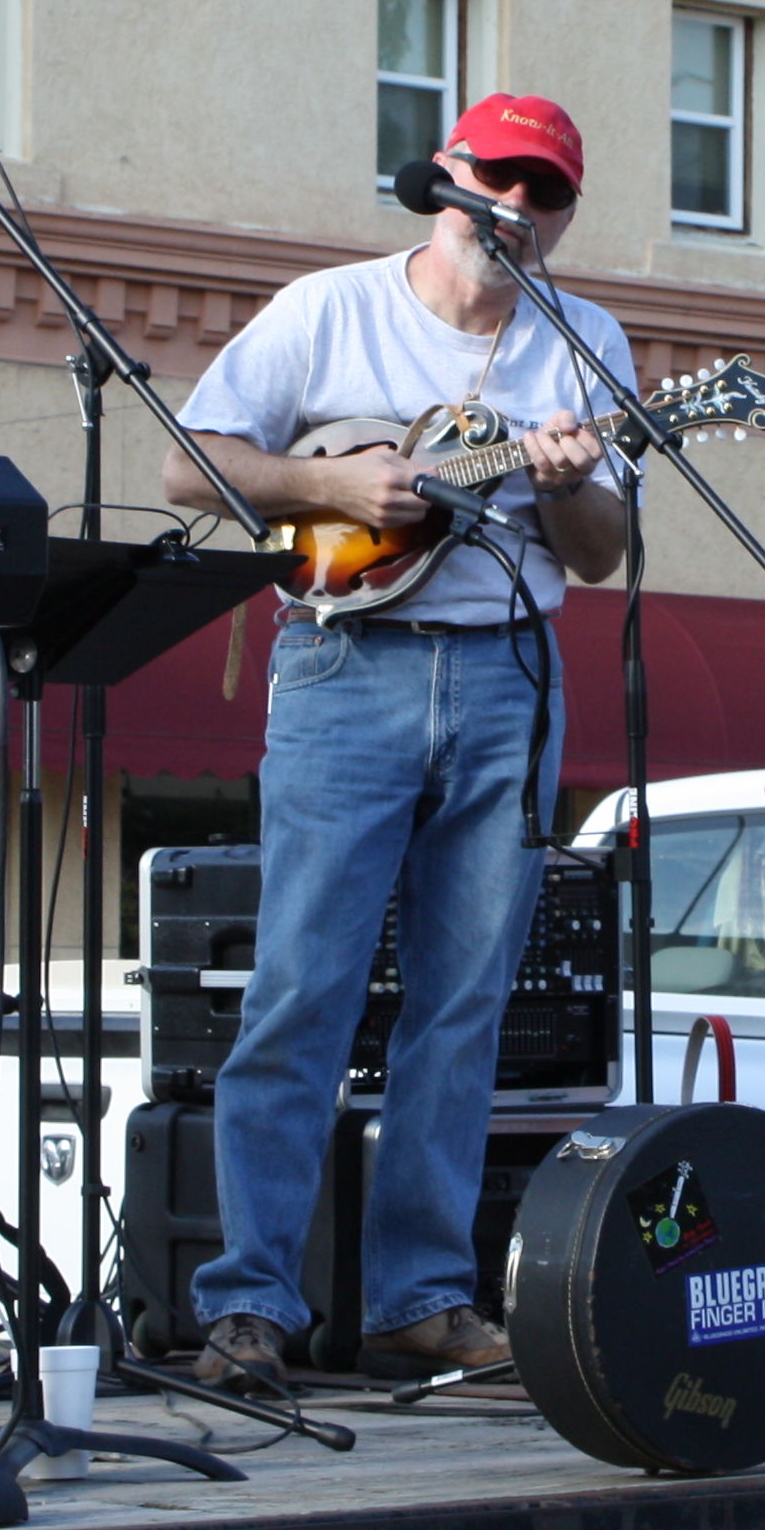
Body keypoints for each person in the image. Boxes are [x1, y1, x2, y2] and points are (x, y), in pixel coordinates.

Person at [161, 96, 630, 1393]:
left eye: (547, 191)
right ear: (448, 181)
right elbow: (191, 465)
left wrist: (572, 482)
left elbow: (599, 553)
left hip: (511, 676)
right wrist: (329, 487)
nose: (518, 208)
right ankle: (250, 1298)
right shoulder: (331, 309)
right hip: (342, 664)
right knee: (301, 985)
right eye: (500, 179)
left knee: (466, 999)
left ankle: (419, 1296)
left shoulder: (585, 344)